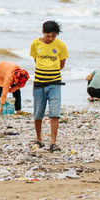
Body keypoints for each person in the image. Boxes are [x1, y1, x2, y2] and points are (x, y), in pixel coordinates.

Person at [30, 20, 69, 152]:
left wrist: (52, 71)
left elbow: (61, 64)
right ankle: (39, 139)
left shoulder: (61, 45)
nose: (51, 38)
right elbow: (36, 60)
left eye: (54, 36)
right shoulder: (35, 43)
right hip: (39, 83)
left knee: (55, 113)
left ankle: (53, 142)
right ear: (43, 32)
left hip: (55, 83)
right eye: (48, 36)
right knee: (38, 112)